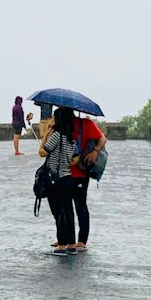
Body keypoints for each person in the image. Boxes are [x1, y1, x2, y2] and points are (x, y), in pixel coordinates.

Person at [40, 107, 106, 254]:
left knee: (80, 206)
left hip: (81, 173)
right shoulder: (62, 128)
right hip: (65, 175)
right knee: (65, 208)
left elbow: (102, 139)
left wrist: (95, 151)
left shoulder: (85, 124)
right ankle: (67, 239)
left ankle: (80, 241)